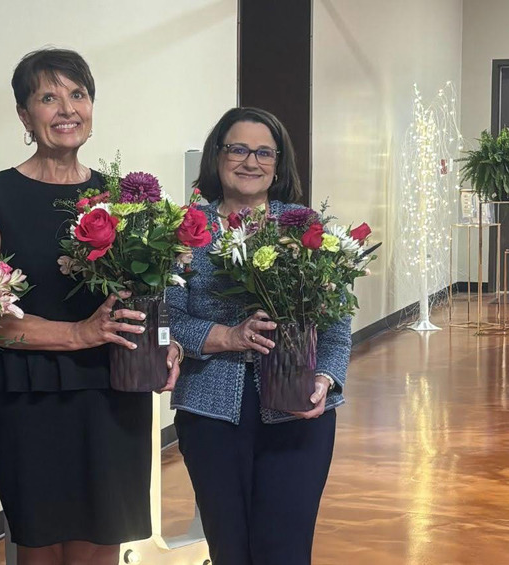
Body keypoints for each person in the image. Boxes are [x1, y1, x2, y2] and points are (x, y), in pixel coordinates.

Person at [0, 48, 181, 565]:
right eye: (48, 97)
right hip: (28, 392)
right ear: (24, 116)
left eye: (78, 94)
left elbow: (153, 297)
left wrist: (167, 349)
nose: (66, 109)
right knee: (39, 546)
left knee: (103, 541)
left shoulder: (122, 197)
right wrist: (79, 333)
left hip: (112, 389)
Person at [168, 107, 353, 565]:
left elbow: (336, 320)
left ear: (278, 162)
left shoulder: (305, 225)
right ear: (217, 156)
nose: (250, 161)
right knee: (230, 549)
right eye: (238, 149)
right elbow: (169, 317)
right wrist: (229, 336)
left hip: (297, 411)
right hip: (210, 411)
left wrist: (325, 379)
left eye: (263, 152)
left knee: (285, 551)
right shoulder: (188, 229)